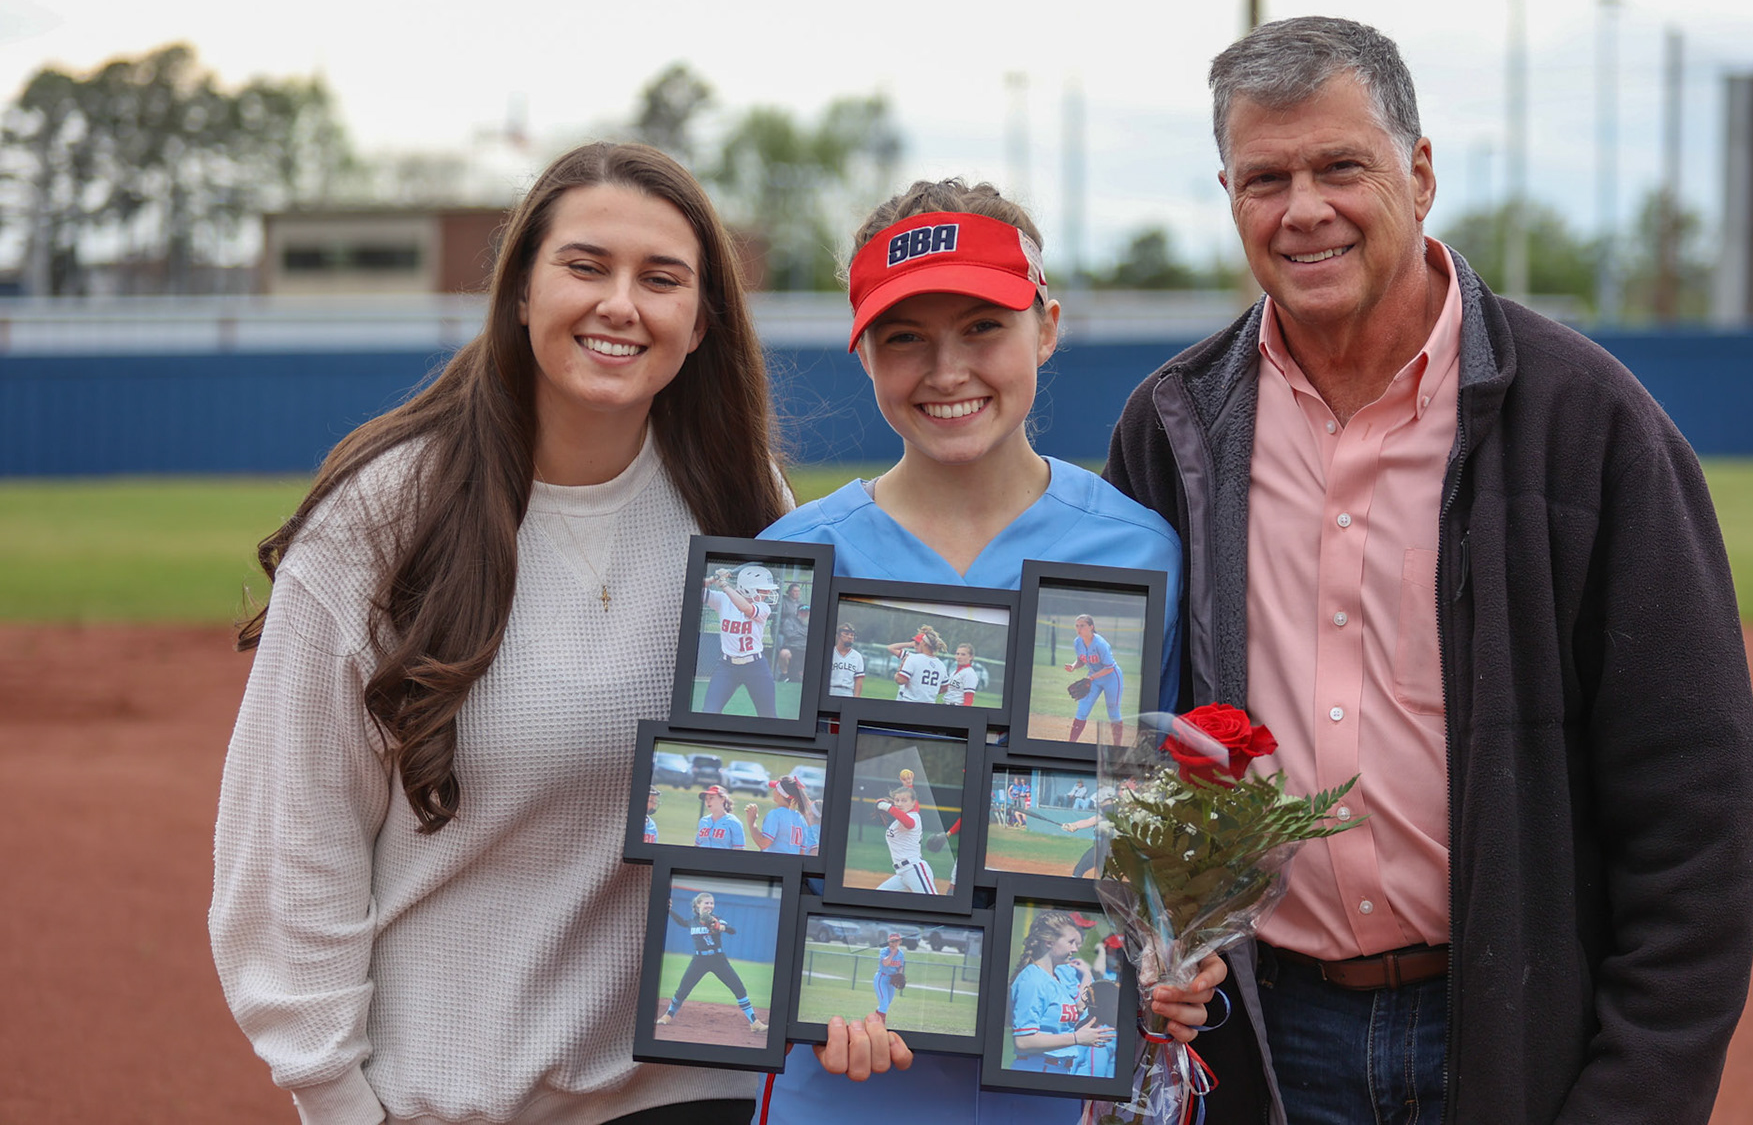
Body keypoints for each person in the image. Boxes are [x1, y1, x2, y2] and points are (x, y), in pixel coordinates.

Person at [1105, 16, 1753, 1125]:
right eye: (1266, 177)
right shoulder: (1173, 430)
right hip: (1268, 1040)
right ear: (1229, 194)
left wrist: (1636, 1094)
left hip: (1513, 1036)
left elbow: (1693, 808)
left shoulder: (1590, 424)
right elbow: (1114, 739)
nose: (1303, 207)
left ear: (1420, 172)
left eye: (1340, 165)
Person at [210, 142, 788, 1125]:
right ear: (519, 290)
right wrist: (332, 1095)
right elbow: (292, 838)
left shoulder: (747, 508)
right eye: (585, 265)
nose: (621, 304)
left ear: (700, 323)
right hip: (462, 1099)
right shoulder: (386, 515)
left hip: (699, 1093)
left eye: (661, 278)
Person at [758, 178, 1225, 1124]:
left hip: (1058, 1077)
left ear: (1046, 328)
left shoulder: (1141, 552)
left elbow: (1154, 807)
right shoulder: (795, 558)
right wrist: (799, 980)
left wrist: (1178, 955)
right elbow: (761, 833)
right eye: (905, 338)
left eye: (982, 327)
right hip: (843, 1077)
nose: (947, 369)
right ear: (863, 352)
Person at [1006, 912, 1110, 1075]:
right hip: (1037, 1071)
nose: (1075, 948)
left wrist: (1094, 1024)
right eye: (1070, 942)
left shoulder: (1056, 977)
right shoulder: (1032, 980)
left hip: (1057, 1069)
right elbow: (1023, 1040)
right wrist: (1077, 1038)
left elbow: (1061, 1024)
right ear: (1049, 942)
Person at [659, 892, 769, 1036]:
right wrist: (669, 910)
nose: (710, 905)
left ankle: (754, 1022)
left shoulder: (716, 919)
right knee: (683, 989)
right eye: (706, 902)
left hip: (718, 959)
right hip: (699, 961)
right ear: (698, 904)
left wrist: (719, 926)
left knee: (739, 988)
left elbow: (731, 930)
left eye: (712, 903)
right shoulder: (692, 921)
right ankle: (668, 1015)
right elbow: (682, 922)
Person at [701, 564, 780, 716]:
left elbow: (746, 608)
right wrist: (712, 579)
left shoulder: (763, 607)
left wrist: (724, 584)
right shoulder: (723, 600)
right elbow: (691, 586)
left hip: (756, 667)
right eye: (763, 589)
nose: (768, 592)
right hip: (727, 667)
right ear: (748, 588)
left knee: (769, 717)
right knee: (709, 712)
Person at [1061, 615, 1123, 746]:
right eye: (1077, 625)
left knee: (1113, 711)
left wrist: (1091, 677)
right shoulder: (1077, 642)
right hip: (1093, 678)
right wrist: (1073, 666)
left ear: (1091, 627)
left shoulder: (1100, 644)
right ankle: (1071, 745)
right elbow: (1081, 660)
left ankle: (1117, 747)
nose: (1079, 628)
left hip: (1112, 678)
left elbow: (1110, 668)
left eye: (1082, 625)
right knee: (1082, 710)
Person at [873, 779, 939, 895]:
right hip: (902, 873)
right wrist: (908, 785)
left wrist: (886, 807)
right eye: (897, 800)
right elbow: (904, 814)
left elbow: (908, 823)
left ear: (913, 802)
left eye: (904, 801)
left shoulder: (913, 817)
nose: (899, 804)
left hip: (914, 869)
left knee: (932, 904)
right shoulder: (901, 819)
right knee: (878, 896)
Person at [747, 773, 817, 855]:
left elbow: (764, 844)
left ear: (779, 792)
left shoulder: (775, 815)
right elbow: (801, 852)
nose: (773, 791)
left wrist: (752, 823)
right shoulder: (801, 819)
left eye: (775, 788)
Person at [887, 628, 948, 703]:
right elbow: (945, 687)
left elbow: (900, 680)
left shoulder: (912, 658)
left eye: (920, 641)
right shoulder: (941, 665)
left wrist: (898, 672)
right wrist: (929, 691)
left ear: (924, 643)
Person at [695, 784, 747, 850]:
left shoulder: (733, 822)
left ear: (722, 799)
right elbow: (697, 845)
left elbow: (739, 849)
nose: (708, 801)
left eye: (711, 798)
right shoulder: (703, 821)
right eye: (706, 799)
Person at [776, 582, 809, 681]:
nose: (804, 614)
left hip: (805, 647)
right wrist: (804, 635)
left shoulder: (810, 619)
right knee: (783, 653)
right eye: (802, 612)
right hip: (792, 646)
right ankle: (783, 676)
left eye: (806, 612)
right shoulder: (789, 619)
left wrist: (799, 633)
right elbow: (790, 634)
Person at [827, 622, 867, 698]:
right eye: (846, 634)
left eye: (852, 635)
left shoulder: (857, 656)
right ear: (839, 635)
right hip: (830, 690)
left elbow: (858, 680)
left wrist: (856, 697)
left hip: (847, 692)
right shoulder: (830, 652)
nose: (849, 637)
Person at [873, 933, 907, 1017]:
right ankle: (879, 1026)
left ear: (900, 942)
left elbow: (900, 966)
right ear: (889, 942)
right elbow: (885, 963)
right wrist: (892, 953)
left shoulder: (901, 954)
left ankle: (874, 1021)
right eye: (892, 941)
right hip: (881, 978)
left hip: (891, 981)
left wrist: (899, 974)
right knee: (884, 1003)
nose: (894, 943)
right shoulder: (884, 951)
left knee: (886, 1004)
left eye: (896, 941)